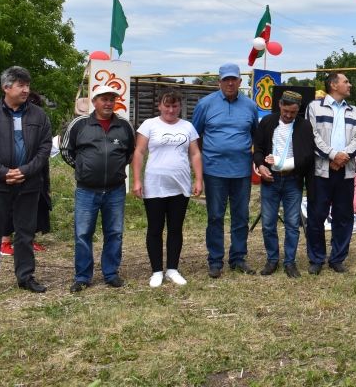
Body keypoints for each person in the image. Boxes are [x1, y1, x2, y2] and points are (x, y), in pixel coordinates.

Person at [0, 66, 52, 297]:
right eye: (21, 85)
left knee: (25, 234)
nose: (26, 90)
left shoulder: (39, 115)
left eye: (28, 85)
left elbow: (45, 148)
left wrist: (25, 171)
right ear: (6, 87)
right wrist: (2, 172)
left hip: (28, 184)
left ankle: (25, 277)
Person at [61, 83, 136, 292]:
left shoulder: (124, 125)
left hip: (115, 190)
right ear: (94, 102)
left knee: (114, 233)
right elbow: (66, 150)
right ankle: (83, 276)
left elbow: (130, 152)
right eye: (104, 99)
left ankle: (111, 273)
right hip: (87, 190)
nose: (108, 103)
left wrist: (115, 168)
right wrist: (85, 168)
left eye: (112, 99)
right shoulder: (79, 124)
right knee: (83, 234)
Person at [191, 63, 259, 278]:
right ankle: (215, 260)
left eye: (234, 79)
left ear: (240, 81)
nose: (230, 83)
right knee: (215, 216)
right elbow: (194, 138)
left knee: (241, 216)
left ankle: (238, 258)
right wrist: (201, 166)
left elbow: (255, 135)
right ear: (219, 82)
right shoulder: (205, 104)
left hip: (241, 171)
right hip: (214, 171)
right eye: (226, 80)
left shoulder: (249, 106)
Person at [131, 89, 204, 288]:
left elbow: (195, 154)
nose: (171, 110)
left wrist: (198, 179)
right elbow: (138, 152)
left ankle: (172, 268)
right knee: (155, 228)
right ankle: (156, 271)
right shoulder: (149, 125)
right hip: (155, 185)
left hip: (180, 186)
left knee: (175, 228)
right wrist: (136, 180)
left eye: (174, 106)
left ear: (180, 106)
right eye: (167, 105)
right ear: (159, 106)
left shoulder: (187, 127)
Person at [253, 90, 315, 278]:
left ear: (298, 111)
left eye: (293, 112)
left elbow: (307, 157)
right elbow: (259, 150)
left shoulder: (304, 127)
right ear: (280, 105)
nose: (288, 115)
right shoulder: (267, 122)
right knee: (268, 224)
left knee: (292, 224)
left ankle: (290, 262)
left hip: (292, 180)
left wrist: (284, 163)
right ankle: (272, 260)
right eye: (286, 111)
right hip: (270, 180)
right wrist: (261, 165)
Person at [305, 72, 356, 274]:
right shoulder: (314, 107)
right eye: (346, 81)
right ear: (333, 85)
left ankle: (337, 258)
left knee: (343, 216)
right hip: (321, 171)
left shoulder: (353, 111)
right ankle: (317, 259)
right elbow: (311, 135)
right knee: (316, 215)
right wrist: (332, 155)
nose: (350, 84)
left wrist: (342, 156)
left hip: (345, 172)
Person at [0, 91, 52, 258]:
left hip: (36, 168)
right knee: (8, 204)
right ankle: (4, 240)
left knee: (35, 203)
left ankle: (27, 239)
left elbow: (45, 144)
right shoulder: (4, 117)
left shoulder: (39, 118)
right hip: (11, 169)